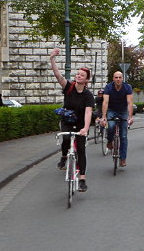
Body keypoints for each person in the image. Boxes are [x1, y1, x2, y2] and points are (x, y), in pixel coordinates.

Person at [49, 48, 94, 192]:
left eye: (82, 75)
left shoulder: (88, 95)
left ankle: (82, 179)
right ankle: (63, 157)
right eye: (78, 74)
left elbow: (88, 113)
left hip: (81, 123)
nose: (79, 76)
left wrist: (86, 129)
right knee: (66, 139)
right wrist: (52, 59)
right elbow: (58, 75)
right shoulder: (68, 87)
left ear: (87, 80)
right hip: (67, 121)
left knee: (81, 149)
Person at [101, 71, 134, 167]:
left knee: (123, 136)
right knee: (111, 126)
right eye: (116, 77)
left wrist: (130, 117)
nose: (118, 79)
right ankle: (109, 141)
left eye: (120, 77)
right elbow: (105, 102)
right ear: (113, 79)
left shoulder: (127, 87)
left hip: (123, 111)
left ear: (122, 78)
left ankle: (123, 159)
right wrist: (103, 117)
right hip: (112, 110)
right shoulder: (108, 87)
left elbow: (130, 103)